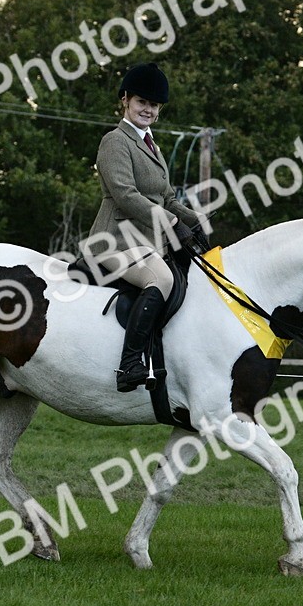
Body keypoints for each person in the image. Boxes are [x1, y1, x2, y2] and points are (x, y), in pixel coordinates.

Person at [87, 62, 208, 392]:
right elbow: (125, 195)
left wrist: (196, 222)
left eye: (154, 105)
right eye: (142, 102)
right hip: (114, 240)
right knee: (163, 278)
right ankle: (128, 365)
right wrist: (171, 223)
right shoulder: (115, 141)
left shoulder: (151, 145)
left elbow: (167, 197)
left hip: (149, 242)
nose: (149, 109)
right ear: (125, 99)